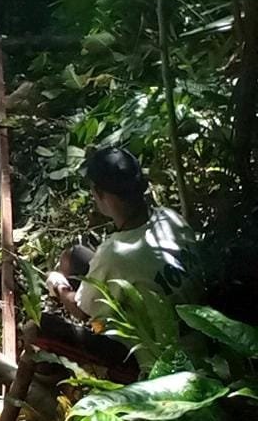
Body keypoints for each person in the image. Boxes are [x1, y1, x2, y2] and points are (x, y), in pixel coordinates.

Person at [41, 146, 202, 377]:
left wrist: (57, 286)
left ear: (100, 194)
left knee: (38, 328)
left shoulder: (115, 256)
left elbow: (80, 311)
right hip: (197, 338)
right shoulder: (170, 217)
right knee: (75, 255)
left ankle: (58, 377)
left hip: (161, 364)